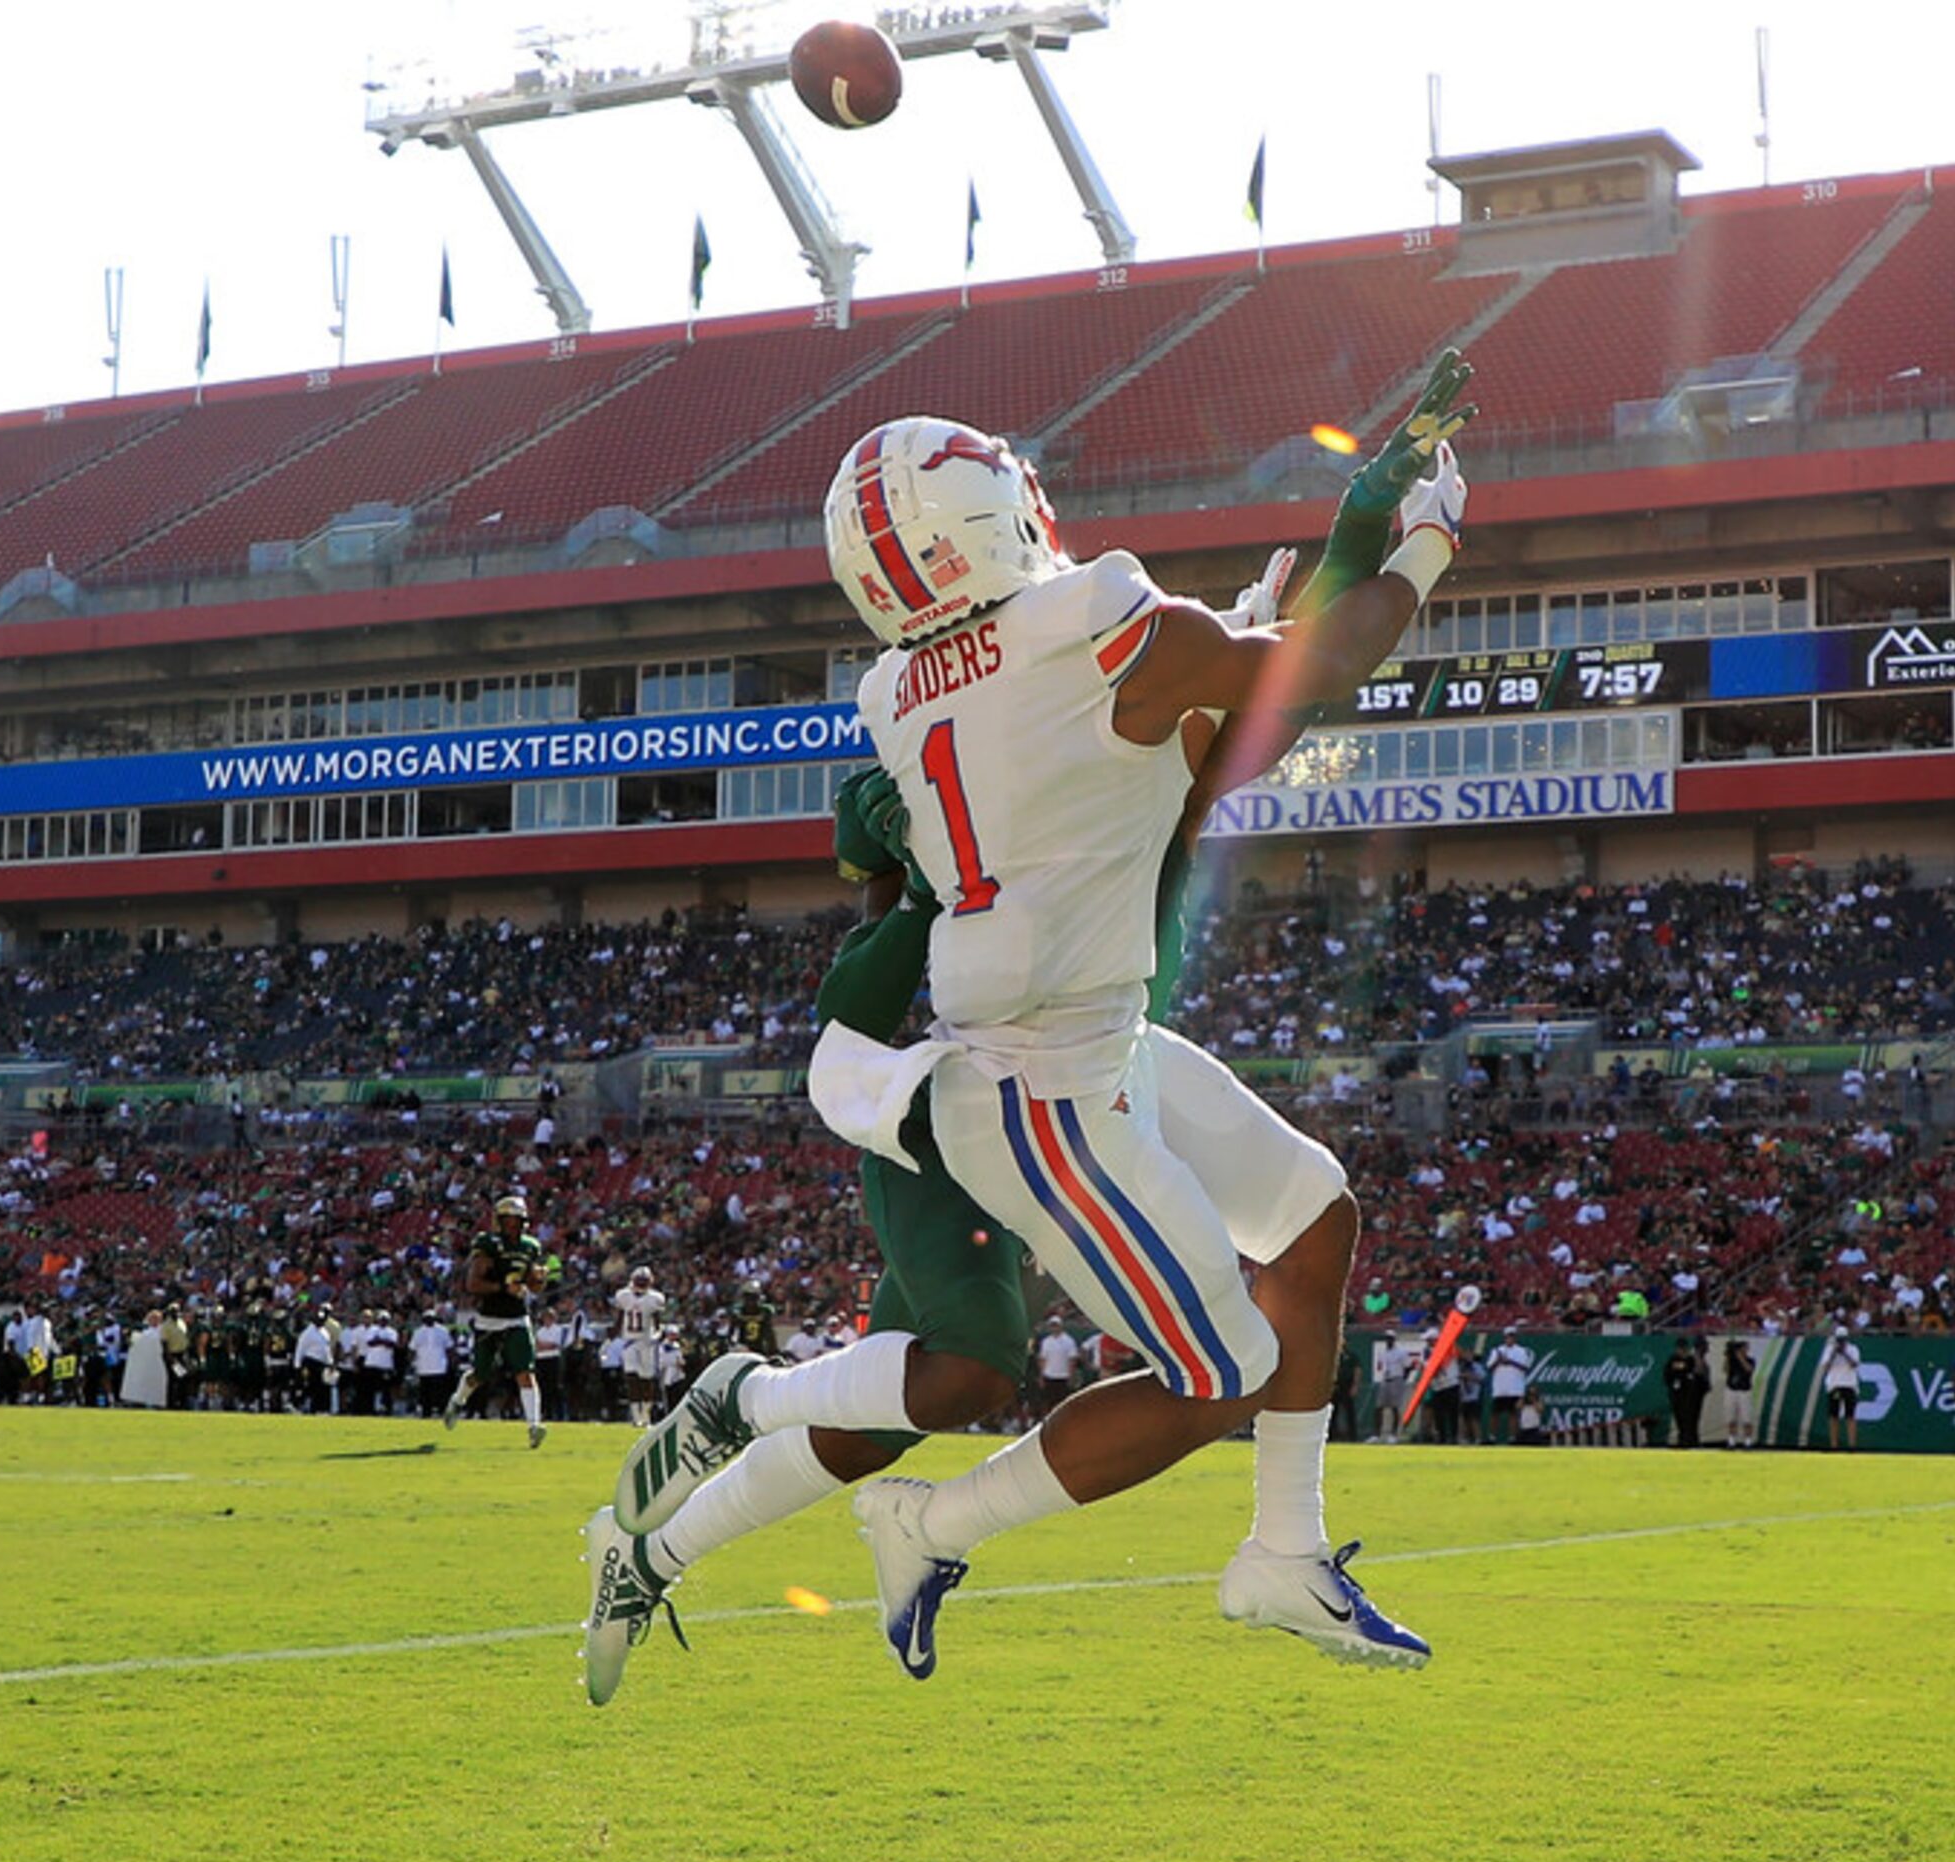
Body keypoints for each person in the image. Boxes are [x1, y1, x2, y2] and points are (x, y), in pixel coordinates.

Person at [585, 359, 1475, 1694]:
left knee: (1312, 1213)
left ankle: (1283, 1550)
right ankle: (918, 1519)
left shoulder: (904, 696)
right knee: (1184, 1368)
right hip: (1031, 1085)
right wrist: (1424, 544)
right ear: (996, 513)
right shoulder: (1097, 623)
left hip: (1063, 1044)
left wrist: (1350, 542)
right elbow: (1308, 670)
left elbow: (1219, 700)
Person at [443, 1193, 552, 1447]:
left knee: (525, 1372)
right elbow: (473, 1283)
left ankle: (534, 1426)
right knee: (481, 1373)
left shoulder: (530, 1246)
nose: (513, 1225)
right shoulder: (488, 1244)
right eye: (509, 1220)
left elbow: (534, 1287)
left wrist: (538, 1278)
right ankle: (457, 1401)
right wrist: (505, 1288)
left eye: (517, 1220)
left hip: (517, 1317)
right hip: (489, 1318)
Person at [613, 1266, 668, 1428]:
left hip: (646, 1342)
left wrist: (658, 1334)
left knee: (646, 1380)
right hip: (629, 1341)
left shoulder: (654, 1298)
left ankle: (646, 1414)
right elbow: (619, 1318)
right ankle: (636, 1415)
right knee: (631, 1378)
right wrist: (612, 1335)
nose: (641, 1284)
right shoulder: (623, 1296)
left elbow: (657, 1322)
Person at [1489, 1326, 1535, 1445]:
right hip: (1499, 1388)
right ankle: (1492, 1437)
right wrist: (1499, 1361)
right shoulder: (1497, 1350)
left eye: (1512, 1336)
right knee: (1495, 1414)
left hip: (1515, 1388)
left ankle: (1512, 1438)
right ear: (1504, 1337)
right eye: (1508, 1336)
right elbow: (1489, 1367)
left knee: (1513, 1414)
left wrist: (1510, 1362)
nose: (1510, 1338)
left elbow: (1525, 1367)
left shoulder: (1521, 1351)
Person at [1820, 1327, 1864, 1451]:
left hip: (1849, 1384)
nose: (1841, 1343)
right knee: (1833, 1416)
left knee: (1850, 1415)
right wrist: (1833, 1354)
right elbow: (1825, 1367)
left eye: (1843, 1340)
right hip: (1834, 1384)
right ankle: (1834, 1445)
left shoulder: (1853, 1349)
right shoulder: (1829, 1350)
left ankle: (1852, 1445)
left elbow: (1855, 1364)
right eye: (1839, 1340)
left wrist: (1844, 1353)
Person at [1663, 1336, 1708, 1450]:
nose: (1681, 1350)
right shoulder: (1672, 1359)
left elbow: (1698, 1371)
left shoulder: (1691, 1359)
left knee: (1691, 1417)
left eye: (1683, 1348)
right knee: (1680, 1417)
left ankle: (1692, 1439)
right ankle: (1682, 1439)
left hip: (1690, 1392)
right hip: (1677, 1392)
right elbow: (1667, 1375)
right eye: (1680, 1348)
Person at [1032, 1314, 1080, 1417]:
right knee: (1047, 1401)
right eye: (1052, 1326)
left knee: (1062, 1402)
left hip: (1063, 1376)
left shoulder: (1069, 1341)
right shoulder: (1046, 1342)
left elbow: (1072, 1360)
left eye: (1056, 1325)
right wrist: (1041, 1376)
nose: (1054, 1328)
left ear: (1061, 1326)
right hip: (1049, 1375)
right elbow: (1043, 1359)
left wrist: (1071, 1375)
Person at [1718, 1336, 1757, 1450]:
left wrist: (1740, 1357)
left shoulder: (1750, 1360)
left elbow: (1749, 1369)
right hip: (1731, 1390)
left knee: (1747, 1418)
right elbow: (1725, 1370)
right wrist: (1728, 1356)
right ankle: (1731, 1440)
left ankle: (1748, 1441)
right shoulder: (1732, 1361)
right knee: (1730, 1417)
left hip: (1744, 1391)